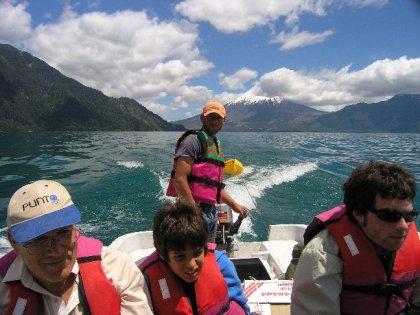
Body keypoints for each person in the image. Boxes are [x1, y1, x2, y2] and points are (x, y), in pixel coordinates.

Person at [0, 179, 153, 315]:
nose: (57, 251)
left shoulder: (117, 270)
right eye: (39, 240)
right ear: (14, 243)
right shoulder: (3, 290)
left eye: (64, 233)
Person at [291, 160, 420, 315]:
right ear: (359, 213)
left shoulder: (416, 244)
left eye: (409, 216)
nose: (403, 227)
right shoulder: (323, 253)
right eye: (389, 216)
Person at [140, 201, 250, 314]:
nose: (191, 265)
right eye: (180, 256)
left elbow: (240, 303)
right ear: (163, 255)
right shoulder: (146, 279)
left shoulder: (221, 264)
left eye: (197, 253)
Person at [166, 101, 249, 242]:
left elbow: (213, 186)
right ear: (202, 118)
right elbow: (179, 179)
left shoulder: (215, 144)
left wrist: (235, 206)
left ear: (224, 120)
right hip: (192, 211)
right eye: (211, 117)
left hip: (210, 212)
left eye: (218, 118)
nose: (214, 121)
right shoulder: (192, 141)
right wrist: (194, 212)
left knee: (208, 253)